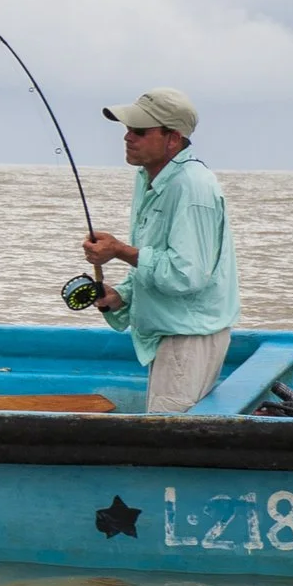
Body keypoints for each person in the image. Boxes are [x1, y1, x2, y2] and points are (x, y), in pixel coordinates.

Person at [79, 87, 240, 414]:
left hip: (189, 338)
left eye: (140, 131)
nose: (128, 137)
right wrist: (122, 295)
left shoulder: (191, 186)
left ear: (173, 139)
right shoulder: (149, 177)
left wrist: (120, 251)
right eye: (127, 129)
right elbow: (156, 255)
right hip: (171, 331)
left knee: (171, 433)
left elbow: (187, 275)